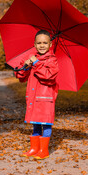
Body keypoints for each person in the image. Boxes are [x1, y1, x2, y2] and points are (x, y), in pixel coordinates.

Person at [15, 30, 59, 159]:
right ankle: (34, 148)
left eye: (45, 43)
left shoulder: (52, 60)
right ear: (34, 44)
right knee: (35, 123)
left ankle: (43, 150)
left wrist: (36, 63)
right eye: (39, 43)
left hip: (46, 98)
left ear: (50, 44)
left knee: (45, 123)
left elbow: (49, 76)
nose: (42, 45)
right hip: (33, 97)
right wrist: (26, 66)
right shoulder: (31, 58)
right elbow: (20, 77)